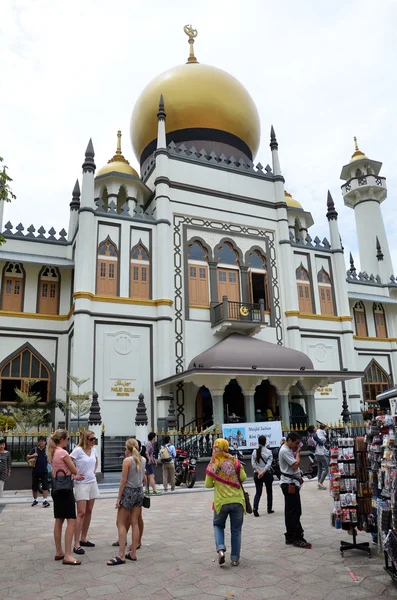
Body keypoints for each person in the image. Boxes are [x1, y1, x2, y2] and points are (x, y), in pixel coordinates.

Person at [205, 438, 247, 567]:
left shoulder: (213, 464)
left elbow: (207, 484)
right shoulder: (235, 461)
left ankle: (221, 549)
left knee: (218, 525)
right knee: (236, 530)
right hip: (238, 501)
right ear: (226, 447)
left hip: (221, 502)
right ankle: (235, 558)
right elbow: (243, 478)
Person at [47, 429, 84, 565]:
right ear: (62, 439)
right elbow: (74, 469)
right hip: (65, 490)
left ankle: (59, 551)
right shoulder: (63, 452)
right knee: (71, 521)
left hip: (56, 488)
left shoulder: (53, 452)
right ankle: (68, 555)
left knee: (59, 520)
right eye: (67, 439)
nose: (68, 441)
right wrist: (71, 471)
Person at [107, 438, 146, 565]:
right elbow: (143, 478)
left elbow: (123, 481)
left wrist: (119, 498)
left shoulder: (127, 461)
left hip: (128, 492)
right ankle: (133, 553)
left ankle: (121, 554)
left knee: (121, 523)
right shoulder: (143, 459)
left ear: (127, 448)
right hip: (139, 491)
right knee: (135, 522)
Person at [279, 431, 312, 549]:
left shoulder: (287, 450)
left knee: (290, 511)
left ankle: (290, 536)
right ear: (289, 440)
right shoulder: (285, 451)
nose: (297, 446)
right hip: (289, 484)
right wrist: (298, 453)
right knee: (295, 511)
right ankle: (297, 537)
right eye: (296, 443)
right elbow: (295, 465)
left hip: (290, 482)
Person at [70, 430, 100, 555]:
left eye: (94, 438)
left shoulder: (93, 450)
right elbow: (68, 462)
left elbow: (96, 460)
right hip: (81, 484)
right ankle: (76, 543)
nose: (93, 441)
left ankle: (83, 538)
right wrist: (74, 475)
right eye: (91, 439)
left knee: (89, 510)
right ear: (85, 439)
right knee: (81, 512)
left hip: (92, 482)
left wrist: (94, 470)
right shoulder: (78, 450)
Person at [251, 435, 274, 517]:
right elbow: (268, 465)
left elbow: (253, 464)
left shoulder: (254, 451)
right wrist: (263, 472)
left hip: (257, 474)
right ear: (265, 442)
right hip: (266, 473)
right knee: (269, 491)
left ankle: (255, 507)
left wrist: (259, 472)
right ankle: (269, 508)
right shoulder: (269, 452)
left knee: (258, 492)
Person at [27, 436, 50, 508]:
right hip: (36, 470)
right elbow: (27, 456)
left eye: (42, 441)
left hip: (44, 470)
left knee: (45, 486)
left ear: (45, 442)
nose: (41, 442)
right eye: (40, 441)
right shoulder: (35, 449)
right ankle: (35, 500)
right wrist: (33, 455)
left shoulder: (47, 450)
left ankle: (45, 500)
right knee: (34, 486)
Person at [307, 425, 327, 490]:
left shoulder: (312, 436)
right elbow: (321, 443)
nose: (316, 428)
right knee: (327, 469)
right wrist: (323, 439)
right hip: (320, 454)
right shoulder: (315, 436)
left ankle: (319, 483)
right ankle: (320, 482)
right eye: (315, 427)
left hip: (317, 453)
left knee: (320, 469)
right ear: (313, 429)